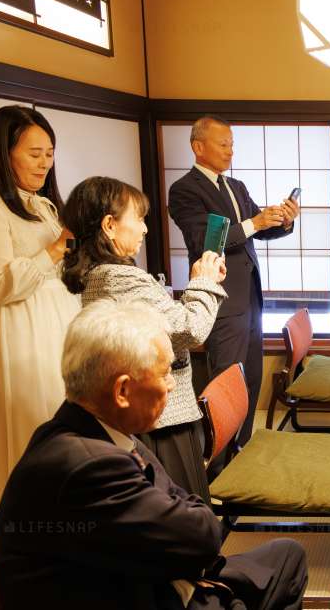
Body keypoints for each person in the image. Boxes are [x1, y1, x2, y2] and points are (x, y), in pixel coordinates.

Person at [0, 300, 308, 609]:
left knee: (287, 556)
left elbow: (182, 511)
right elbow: (201, 538)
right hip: (146, 593)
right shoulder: (87, 465)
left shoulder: (93, 430)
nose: (172, 385)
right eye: (165, 372)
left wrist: (187, 518)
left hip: (154, 579)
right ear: (123, 391)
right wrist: (188, 519)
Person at [61, 176, 226, 501]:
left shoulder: (100, 272)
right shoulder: (119, 276)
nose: (145, 228)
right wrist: (203, 281)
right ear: (109, 225)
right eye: (138, 218)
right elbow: (190, 329)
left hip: (147, 412)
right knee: (183, 509)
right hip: (161, 418)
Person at [0, 105, 80, 506]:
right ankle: (36, 548)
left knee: (68, 441)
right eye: (34, 153)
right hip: (21, 339)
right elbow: (0, 285)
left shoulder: (44, 204)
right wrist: (56, 248)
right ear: (4, 151)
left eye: (49, 153)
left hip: (58, 332)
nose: (45, 163)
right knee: (36, 442)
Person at [168, 116, 299, 450]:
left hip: (250, 297)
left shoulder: (236, 186)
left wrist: (281, 221)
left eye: (232, 144)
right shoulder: (185, 190)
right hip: (222, 301)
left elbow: (257, 229)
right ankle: (220, 462)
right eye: (222, 144)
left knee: (251, 377)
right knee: (227, 381)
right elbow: (204, 241)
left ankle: (244, 449)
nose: (230, 151)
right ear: (198, 147)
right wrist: (254, 222)